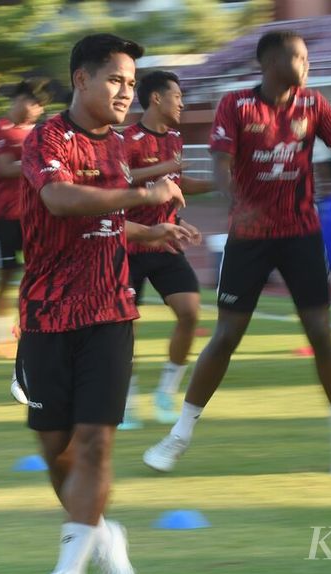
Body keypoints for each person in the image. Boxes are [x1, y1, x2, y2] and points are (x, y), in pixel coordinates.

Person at [143, 30, 331, 476]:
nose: (307, 63)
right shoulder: (236, 104)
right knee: (226, 337)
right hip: (249, 237)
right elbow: (222, 164)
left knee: (321, 334)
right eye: (300, 56)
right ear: (273, 62)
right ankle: (178, 436)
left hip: (301, 235)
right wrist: (239, 202)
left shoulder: (314, 105)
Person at [16, 33, 191, 574]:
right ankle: (100, 534)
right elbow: (64, 202)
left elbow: (111, 225)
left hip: (110, 309)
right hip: (46, 312)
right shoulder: (46, 138)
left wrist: (150, 231)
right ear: (81, 80)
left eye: (131, 83)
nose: (126, 91)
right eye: (116, 79)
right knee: (54, 448)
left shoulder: (121, 146)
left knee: (96, 443)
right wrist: (142, 194)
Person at [119, 70, 210, 429]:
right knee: (125, 328)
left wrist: (220, 184)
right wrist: (165, 168)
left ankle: (165, 393)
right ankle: (126, 403)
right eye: (177, 96)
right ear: (156, 98)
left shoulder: (174, 137)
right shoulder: (126, 138)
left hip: (165, 242)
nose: (182, 103)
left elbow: (174, 184)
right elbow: (119, 179)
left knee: (189, 311)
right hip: (127, 243)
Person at [0, 79, 51, 362]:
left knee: (37, 274)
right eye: (35, 103)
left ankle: (29, 327)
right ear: (20, 101)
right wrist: (36, 162)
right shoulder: (1, 129)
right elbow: (2, 167)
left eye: (41, 106)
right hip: (5, 217)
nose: (37, 109)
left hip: (33, 218)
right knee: (7, 274)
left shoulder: (38, 132)